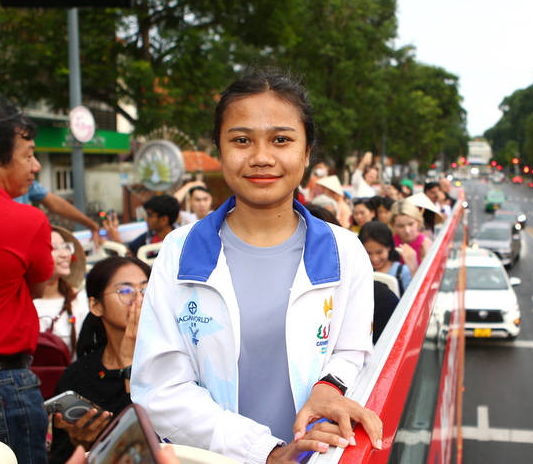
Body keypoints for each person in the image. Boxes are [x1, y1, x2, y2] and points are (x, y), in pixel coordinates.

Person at [130, 69, 382, 464]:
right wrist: (266, 452)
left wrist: (328, 387)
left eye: (281, 139)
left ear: (307, 151)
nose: (261, 158)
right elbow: (159, 389)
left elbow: (352, 350)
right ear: (219, 149)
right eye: (242, 140)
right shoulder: (179, 253)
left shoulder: (345, 252)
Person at [0, 101, 53, 464]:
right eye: (28, 155)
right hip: (1, 383)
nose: (36, 166)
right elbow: (37, 288)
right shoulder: (26, 220)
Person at [50, 256, 151, 464]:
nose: (139, 300)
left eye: (146, 290)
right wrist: (81, 443)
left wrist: (129, 365)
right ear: (96, 306)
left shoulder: (173, 360)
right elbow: (60, 457)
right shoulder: (78, 376)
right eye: (125, 291)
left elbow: (157, 437)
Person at [34, 227, 89, 358]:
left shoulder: (78, 299)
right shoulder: (23, 301)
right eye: (54, 248)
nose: (64, 254)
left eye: (65, 247)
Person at [15, 181, 102, 251]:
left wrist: (92, 225)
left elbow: (56, 204)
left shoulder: (25, 182)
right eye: (27, 158)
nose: (36, 166)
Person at [111, 194, 179, 257]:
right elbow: (132, 258)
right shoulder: (142, 240)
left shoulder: (179, 243)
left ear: (164, 220)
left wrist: (117, 241)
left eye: (149, 215)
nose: (146, 219)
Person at [359, 221, 412, 295]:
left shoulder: (402, 272)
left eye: (379, 252)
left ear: (389, 248)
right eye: (368, 253)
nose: (374, 259)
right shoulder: (360, 271)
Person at [389, 200, 432, 276]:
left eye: (411, 224)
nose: (407, 231)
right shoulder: (390, 242)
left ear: (418, 221)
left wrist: (413, 267)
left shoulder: (426, 245)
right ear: (393, 225)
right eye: (400, 226)